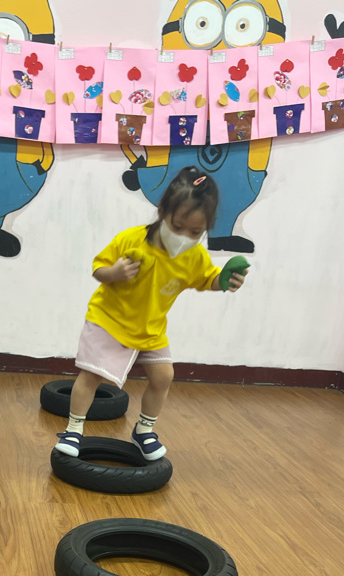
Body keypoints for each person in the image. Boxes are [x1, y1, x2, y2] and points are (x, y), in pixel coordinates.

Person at [54, 166, 248, 461]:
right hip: (110, 320)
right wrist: (114, 273)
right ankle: (73, 429)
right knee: (91, 375)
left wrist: (225, 281)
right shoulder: (131, 240)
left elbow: (207, 279)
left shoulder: (194, 256)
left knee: (164, 376)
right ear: (162, 211)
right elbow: (98, 269)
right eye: (178, 226)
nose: (184, 236)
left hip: (151, 328)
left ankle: (144, 430)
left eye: (195, 232)